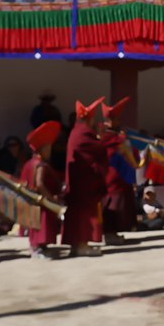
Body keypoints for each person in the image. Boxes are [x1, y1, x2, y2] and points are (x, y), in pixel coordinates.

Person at [61, 97, 108, 257]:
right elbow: (98, 150)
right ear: (89, 118)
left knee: (79, 214)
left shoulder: (77, 132)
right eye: (93, 117)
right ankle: (81, 245)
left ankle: (77, 245)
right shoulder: (83, 134)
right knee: (83, 215)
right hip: (83, 184)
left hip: (79, 182)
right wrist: (102, 139)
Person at [19, 120, 63, 259]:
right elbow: (39, 184)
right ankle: (38, 249)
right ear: (42, 149)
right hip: (40, 202)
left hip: (30, 201)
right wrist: (50, 198)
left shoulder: (29, 163)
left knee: (35, 225)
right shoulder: (40, 165)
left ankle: (38, 247)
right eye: (48, 148)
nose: (50, 151)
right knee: (42, 224)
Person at [100, 97, 136, 246]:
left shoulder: (116, 136)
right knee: (112, 206)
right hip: (112, 177)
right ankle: (109, 234)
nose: (118, 121)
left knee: (120, 206)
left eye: (118, 118)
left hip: (120, 176)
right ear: (107, 121)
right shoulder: (106, 137)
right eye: (115, 118)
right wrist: (123, 140)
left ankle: (113, 233)